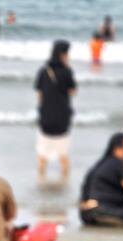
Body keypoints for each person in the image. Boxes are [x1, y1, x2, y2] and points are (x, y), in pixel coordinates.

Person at [34, 40, 76, 180]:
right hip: (62, 119)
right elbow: (72, 92)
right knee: (63, 156)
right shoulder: (67, 71)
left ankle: (41, 180)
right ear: (62, 54)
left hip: (46, 118)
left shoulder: (43, 71)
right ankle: (64, 182)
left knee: (42, 155)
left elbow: (39, 94)